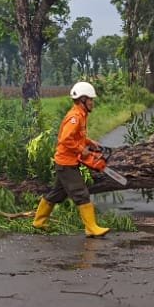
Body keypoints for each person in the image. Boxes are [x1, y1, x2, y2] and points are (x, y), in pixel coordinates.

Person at [33, 81, 110, 237]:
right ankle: (91, 228)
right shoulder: (74, 117)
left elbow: (77, 137)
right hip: (66, 163)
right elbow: (65, 139)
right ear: (82, 100)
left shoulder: (81, 115)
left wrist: (89, 142)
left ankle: (39, 222)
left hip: (67, 162)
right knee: (81, 193)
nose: (92, 102)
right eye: (90, 99)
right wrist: (83, 150)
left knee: (57, 194)